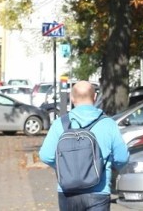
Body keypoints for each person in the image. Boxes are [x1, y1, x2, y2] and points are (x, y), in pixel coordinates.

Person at [39, 80, 129, 211]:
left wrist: (65, 167)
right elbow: (122, 158)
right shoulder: (108, 124)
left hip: (67, 191)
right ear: (94, 97)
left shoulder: (60, 124)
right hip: (99, 191)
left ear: (72, 98)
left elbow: (46, 156)